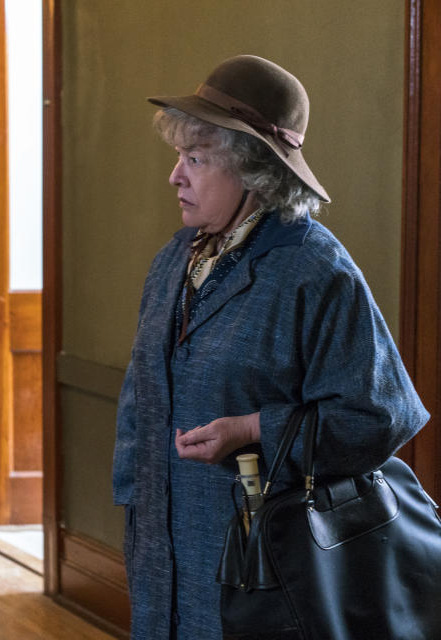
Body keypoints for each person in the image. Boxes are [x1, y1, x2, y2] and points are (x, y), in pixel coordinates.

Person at [112, 55, 429, 640]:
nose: (175, 176)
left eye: (197, 160)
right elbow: (141, 397)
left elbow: (381, 417)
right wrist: (136, 507)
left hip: (268, 567)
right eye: (179, 156)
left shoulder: (314, 268)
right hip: (161, 557)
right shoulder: (174, 261)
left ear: (253, 171)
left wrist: (257, 428)